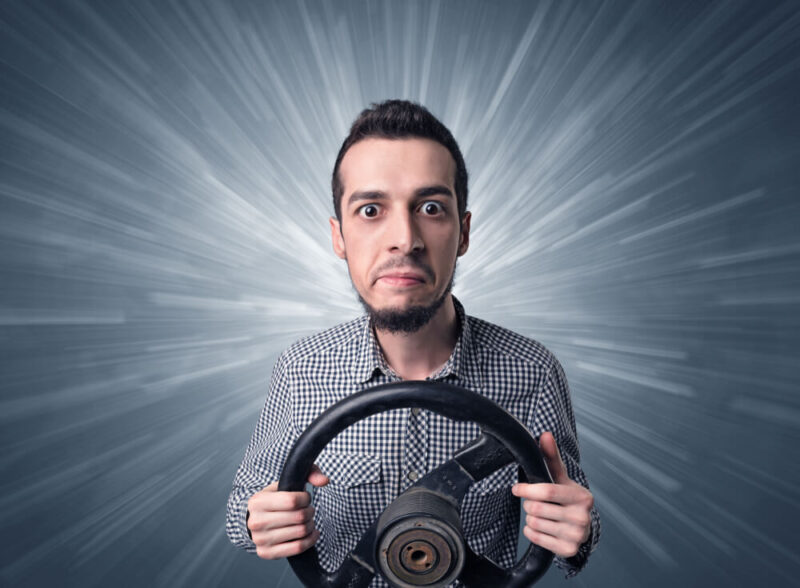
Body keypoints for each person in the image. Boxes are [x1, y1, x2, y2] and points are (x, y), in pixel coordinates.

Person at [226, 100, 600, 585]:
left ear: (463, 232)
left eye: (430, 208)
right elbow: (242, 513)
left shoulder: (532, 369)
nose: (404, 238)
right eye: (370, 210)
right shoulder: (302, 368)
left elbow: (574, 522)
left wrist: (577, 531)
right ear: (339, 237)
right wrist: (262, 521)